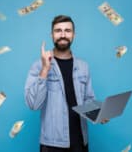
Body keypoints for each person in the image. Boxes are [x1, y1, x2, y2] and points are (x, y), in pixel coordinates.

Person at [24, 15, 109, 152]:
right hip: (52, 145)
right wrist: (45, 69)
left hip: (81, 142)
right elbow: (33, 105)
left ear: (73, 35)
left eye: (67, 30)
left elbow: (88, 99)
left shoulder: (83, 66)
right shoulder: (38, 66)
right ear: (52, 35)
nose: (63, 35)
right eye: (58, 30)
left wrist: (98, 113)